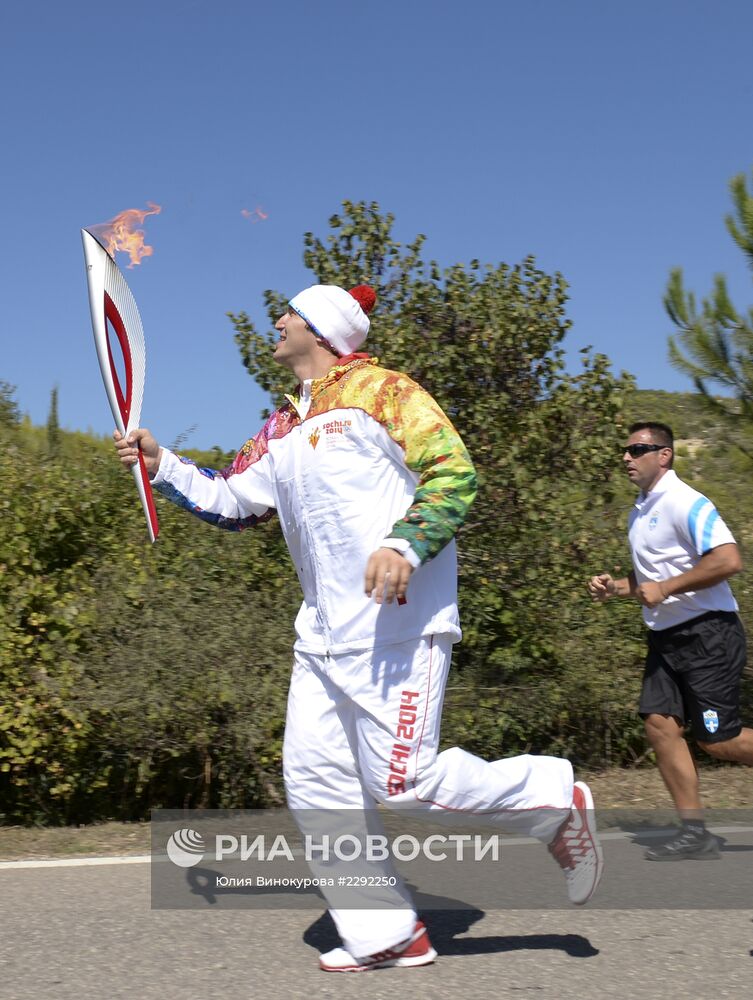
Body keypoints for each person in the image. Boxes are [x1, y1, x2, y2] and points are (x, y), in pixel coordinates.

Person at [116, 282, 603, 972]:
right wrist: (161, 463)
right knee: (316, 783)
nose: (276, 321)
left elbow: (452, 472)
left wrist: (404, 545)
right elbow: (232, 502)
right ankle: (384, 933)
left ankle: (551, 799)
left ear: (318, 329)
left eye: (288, 312)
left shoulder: (383, 391)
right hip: (320, 637)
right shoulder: (279, 429)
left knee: (401, 782)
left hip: (394, 626)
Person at [588, 421, 753, 861]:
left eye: (639, 448)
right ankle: (695, 833)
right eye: (625, 449)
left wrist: (667, 588)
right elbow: (649, 581)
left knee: (718, 739)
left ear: (665, 455)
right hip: (666, 638)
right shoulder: (639, 512)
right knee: (659, 725)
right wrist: (617, 589)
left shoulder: (686, 503)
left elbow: (728, 559)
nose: (627, 456)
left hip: (709, 635)